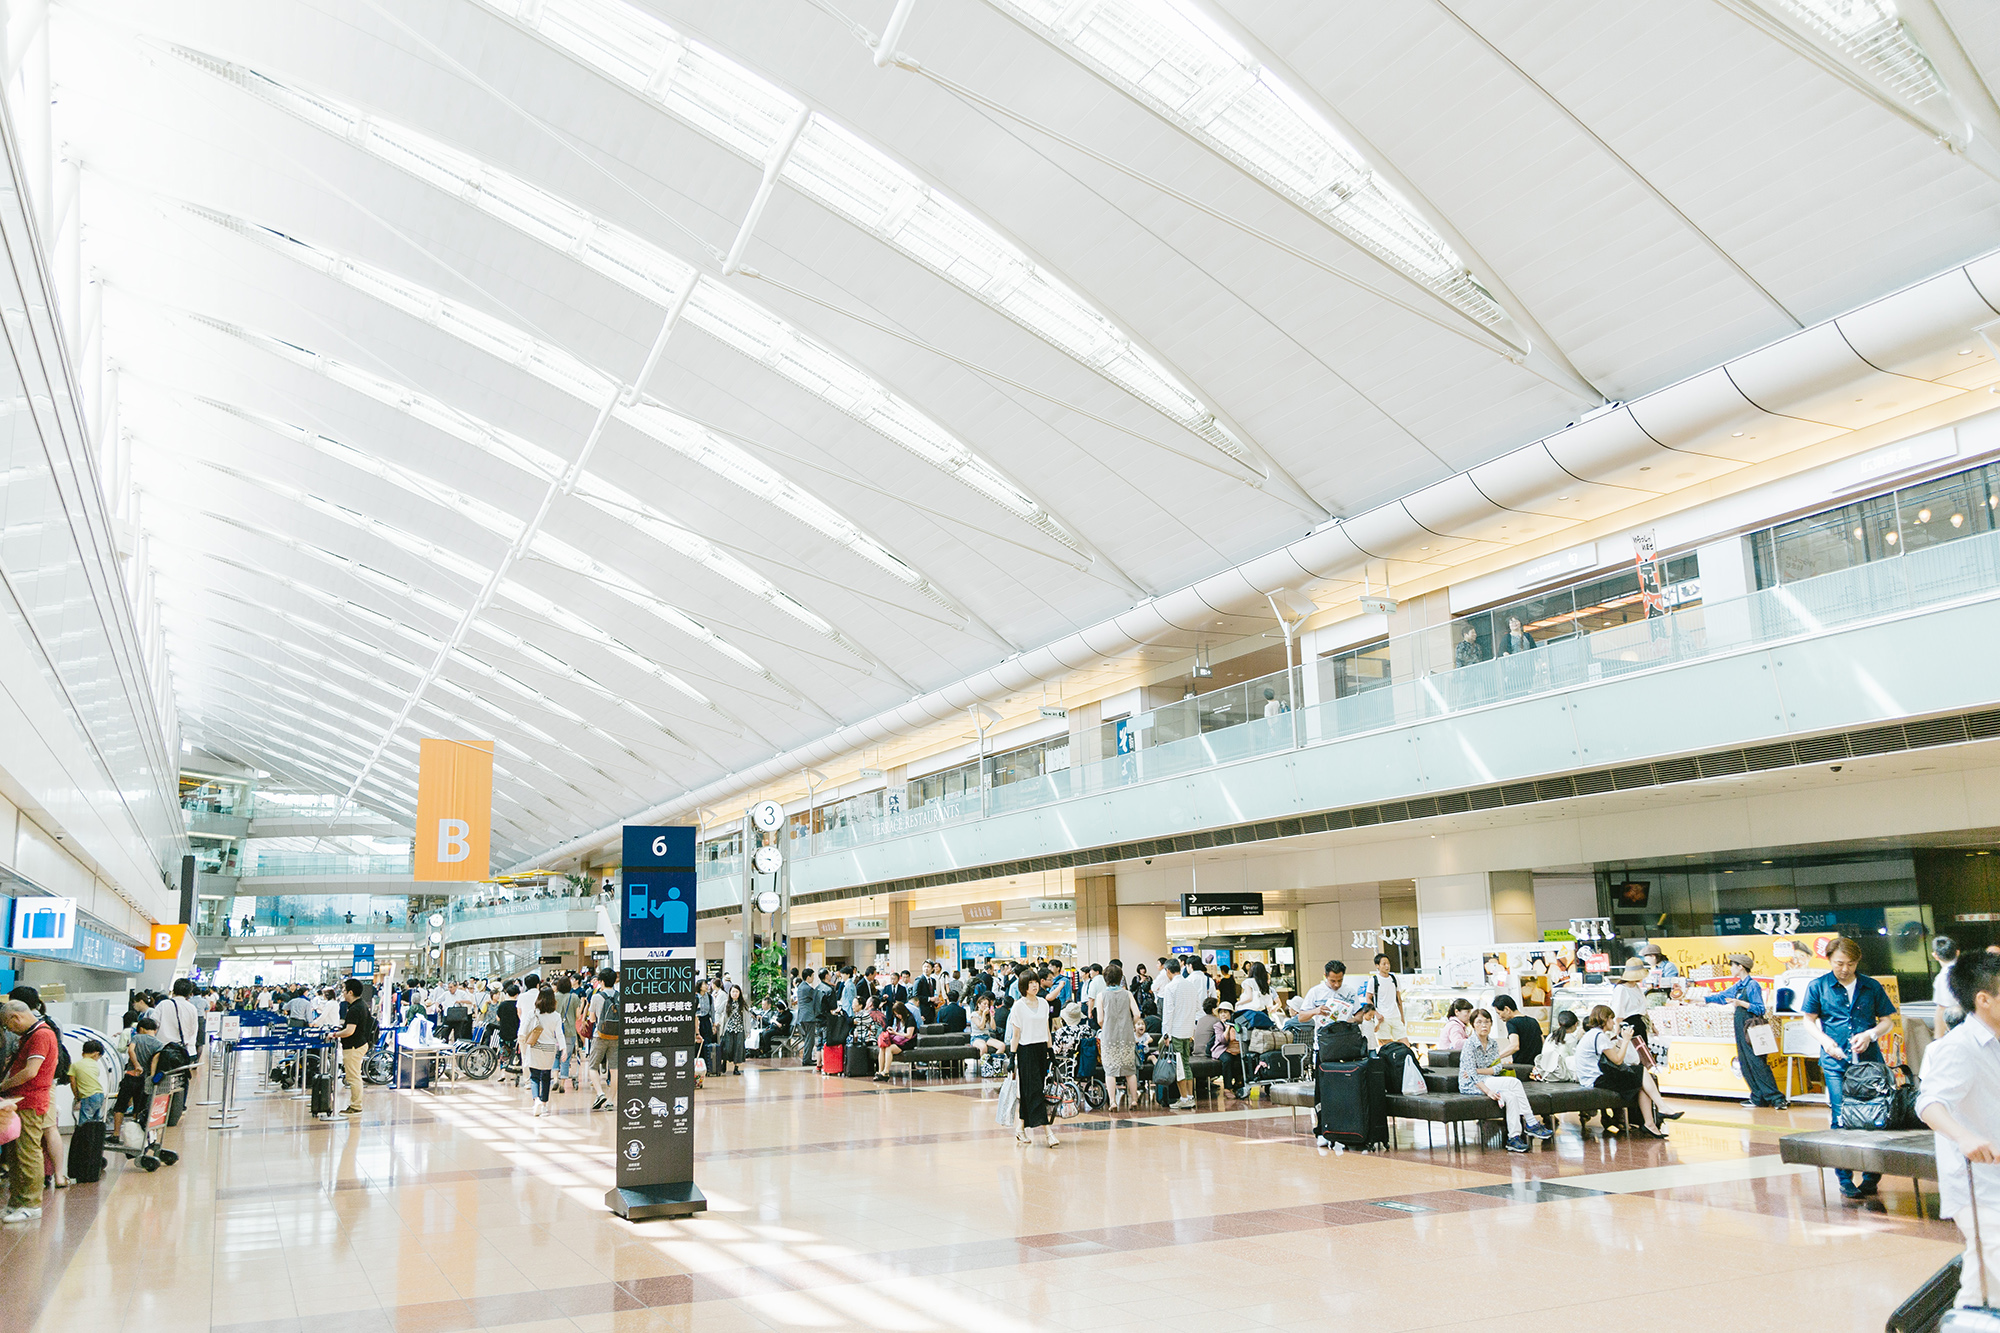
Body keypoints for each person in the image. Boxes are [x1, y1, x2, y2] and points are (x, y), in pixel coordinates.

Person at [1915, 947, 2000, 1309]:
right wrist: (1965, 1136)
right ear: (1984, 999)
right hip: (1978, 1187)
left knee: (1983, 1281)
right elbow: (1928, 1103)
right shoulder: (1958, 1048)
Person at [1801, 937, 1898, 1200]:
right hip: (1835, 1062)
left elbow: (1887, 1021)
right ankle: (1844, 1179)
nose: (1845, 969)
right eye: (1839, 963)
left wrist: (1870, 1034)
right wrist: (1826, 1042)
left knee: (1874, 1118)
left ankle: (1871, 1178)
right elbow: (1808, 1021)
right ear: (1829, 960)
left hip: (1870, 1063)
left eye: (1851, 964)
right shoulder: (1818, 986)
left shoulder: (1871, 986)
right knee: (1840, 1117)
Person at [1703, 953, 1789, 1109]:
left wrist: (1740, 1003)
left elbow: (1760, 1008)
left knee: (1757, 1063)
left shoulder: (1752, 985)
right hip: (1741, 1027)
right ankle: (1758, 1097)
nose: (1730, 968)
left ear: (1740, 967)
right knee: (1745, 1062)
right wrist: (1702, 1000)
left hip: (1751, 1028)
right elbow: (1723, 997)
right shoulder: (1739, 985)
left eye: (1732, 965)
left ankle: (1777, 1098)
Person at [1460, 1008, 1552, 1152]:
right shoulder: (1469, 1044)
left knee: (1511, 1096)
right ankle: (1531, 1122)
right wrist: (1488, 1091)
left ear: (1491, 1024)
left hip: (1488, 1078)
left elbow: (1496, 1069)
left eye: (1487, 1022)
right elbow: (1471, 1076)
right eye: (1479, 1022)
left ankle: (1513, 1138)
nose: (1484, 1025)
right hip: (1472, 1084)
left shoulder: (1493, 1044)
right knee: (1514, 1082)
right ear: (1473, 1025)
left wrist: (1477, 1070)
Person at [1573, 1005, 1668, 1138]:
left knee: (1641, 1082)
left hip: (1591, 1078)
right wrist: (1626, 1040)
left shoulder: (1593, 1034)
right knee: (1641, 1072)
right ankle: (1661, 1108)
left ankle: (1650, 1123)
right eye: (1611, 1019)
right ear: (1604, 1019)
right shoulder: (1599, 1036)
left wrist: (1619, 1043)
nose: (1613, 1022)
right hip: (1596, 1080)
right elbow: (1617, 1060)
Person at [0, 1000, 56, 1222]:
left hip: (30, 1101)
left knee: (28, 1152)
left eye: (8, 1026)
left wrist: (3, 1086)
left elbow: (31, 1071)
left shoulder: (41, 1035)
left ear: (16, 1018)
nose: (9, 1030)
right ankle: (17, 1202)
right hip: (20, 1101)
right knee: (14, 1154)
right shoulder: (32, 1034)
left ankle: (31, 1204)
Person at [1006, 974, 1059, 1147]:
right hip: (1025, 1051)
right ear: (1023, 986)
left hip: (1041, 1049)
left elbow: (1047, 1029)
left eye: (1036, 982)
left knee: (1032, 1091)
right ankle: (1048, 1132)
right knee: (1035, 1090)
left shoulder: (1044, 1003)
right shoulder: (1018, 1006)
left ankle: (1020, 1129)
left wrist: (1051, 1052)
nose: (1034, 986)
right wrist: (1012, 1057)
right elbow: (1016, 1035)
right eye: (1030, 983)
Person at [1157, 959, 1205, 1111]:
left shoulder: (1171, 987)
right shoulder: (1190, 985)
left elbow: (1168, 1012)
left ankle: (1184, 1098)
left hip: (1176, 1032)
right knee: (1186, 1064)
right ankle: (1190, 1096)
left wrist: (1166, 1034)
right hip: (1188, 1031)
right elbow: (1198, 1006)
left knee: (1178, 1067)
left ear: (1168, 971)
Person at [1098, 962, 1142, 1111]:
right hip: (1127, 1036)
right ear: (1120, 977)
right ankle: (1134, 1100)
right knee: (1130, 1070)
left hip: (1109, 1036)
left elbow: (1100, 1019)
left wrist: (1106, 1027)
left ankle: (1113, 1102)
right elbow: (1137, 1014)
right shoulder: (1127, 994)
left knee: (1110, 1070)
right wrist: (1130, 1024)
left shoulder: (1101, 995)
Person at [520, 986, 564, 1116]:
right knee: (546, 1076)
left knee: (534, 1076)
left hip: (535, 1047)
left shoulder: (532, 1014)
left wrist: (522, 1042)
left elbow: (523, 1031)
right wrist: (563, 1049)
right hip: (550, 1048)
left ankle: (536, 1100)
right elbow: (559, 1034)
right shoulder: (556, 1016)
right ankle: (544, 1105)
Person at [335, 979, 373, 1115]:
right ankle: (356, 1104)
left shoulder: (355, 1009)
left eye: (344, 990)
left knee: (353, 1077)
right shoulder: (361, 1005)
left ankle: (356, 1106)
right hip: (360, 1043)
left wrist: (335, 1034)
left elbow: (349, 1031)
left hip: (354, 1046)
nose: (343, 993)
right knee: (355, 1076)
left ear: (350, 992)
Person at [587, 968, 621, 1111]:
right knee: (614, 1069)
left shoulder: (596, 997)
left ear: (601, 981)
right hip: (616, 1036)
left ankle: (600, 1093)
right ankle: (611, 1101)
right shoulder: (620, 996)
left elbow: (592, 1018)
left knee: (593, 1067)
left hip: (600, 1036)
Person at [1491, 994, 1541, 1070]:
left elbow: (1515, 1046)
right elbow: (1542, 1041)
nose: (1499, 1017)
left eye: (1499, 1013)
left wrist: (1496, 1057)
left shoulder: (1512, 1023)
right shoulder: (1533, 1021)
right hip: (1536, 1068)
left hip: (1521, 1068)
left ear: (1507, 1009)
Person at [1935, 936, 1965, 1036]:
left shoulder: (1944, 976)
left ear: (1935, 955)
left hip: (1957, 1028)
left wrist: (1937, 1040)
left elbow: (1941, 1009)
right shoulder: (1968, 970)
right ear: (1957, 952)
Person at [719, 984, 750, 1075]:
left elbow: (747, 1018)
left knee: (738, 1049)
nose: (735, 994)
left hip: (740, 1029)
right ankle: (724, 1062)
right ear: (730, 993)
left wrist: (747, 1031)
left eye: (736, 992)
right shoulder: (726, 1003)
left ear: (740, 993)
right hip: (728, 1029)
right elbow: (718, 1011)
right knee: (727, 1048)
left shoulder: (743, 1005)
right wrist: (718, 1022)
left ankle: (736, 1068)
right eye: (733, 992)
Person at [968, 995, 1004, 1061]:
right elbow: (981, 1026)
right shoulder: (974, 1014)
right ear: (978, 1005)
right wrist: (984, 1015)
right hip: (976, 1037)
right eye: (984, 1004)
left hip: (987, 1036)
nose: (986, 1006)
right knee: (983, 1047)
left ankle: (994, 1062)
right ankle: (984, 1066)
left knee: (1002, 1046)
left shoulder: (988, 1015)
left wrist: (991, 1015)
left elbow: (993, 1027)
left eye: (988, 1004)